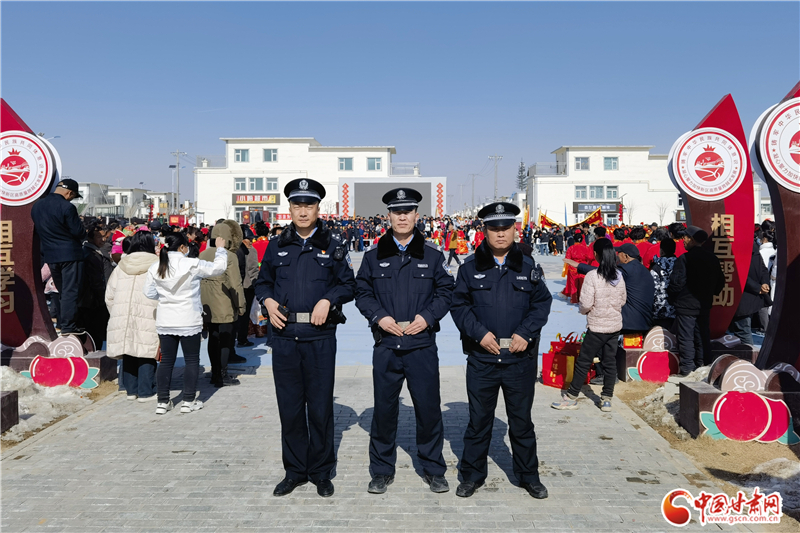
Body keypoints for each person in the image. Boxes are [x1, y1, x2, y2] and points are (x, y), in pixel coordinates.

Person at [254, 178, 356, 498]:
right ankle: (295, 471)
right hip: (285, 337)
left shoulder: (333, 244)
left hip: (319, 338)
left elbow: (348, 284)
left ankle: (321, 472)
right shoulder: (277, 245)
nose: (302, 211)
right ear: (289, 208)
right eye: (297, 205)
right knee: (290, 408)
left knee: (321, 408)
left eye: (308, 205)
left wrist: (328, 299)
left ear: (317, 208)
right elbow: (262, 282)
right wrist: (268, 302)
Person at [355, 188, 454, 495]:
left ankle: (433, 469)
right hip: (386, 344)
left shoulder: (433, 256)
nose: (402, 217)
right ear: (389, 216)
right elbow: (362, 292)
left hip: (421, 345)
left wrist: (428, 316)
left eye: (407, 212)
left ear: (416, 216)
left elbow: (446, 292)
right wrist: (379, 317)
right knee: (384, 412)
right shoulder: (373, 257)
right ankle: (381, 470)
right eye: (396, 212)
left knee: (428, 410)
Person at [450, 202, 552, 500]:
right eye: (494, 228)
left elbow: (541, 304)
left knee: (521, 422)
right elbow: (459, 306)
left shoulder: (529, 267)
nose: (500, 234)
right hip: (482, 359)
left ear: (514, 230)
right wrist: (479, 334)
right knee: (478, 422)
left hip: (519, 360)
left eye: (506, 228)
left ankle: (528, 476)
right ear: (484, 231)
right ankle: (472, 475)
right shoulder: (469, 268)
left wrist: (526, 333)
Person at [144, 233, 228, 414]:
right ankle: (188, 401)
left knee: (166, 361)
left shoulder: (156, 266)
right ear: (182, 247)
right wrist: (220, 249)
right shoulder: (192, 264)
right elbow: (218, 268)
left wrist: (166, 298)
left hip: (166, 319)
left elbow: (149, 293)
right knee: (191, 360)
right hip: (188, 318)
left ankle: (162, 402)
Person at [552, 238, 626, 412]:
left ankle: (571, 397)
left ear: (596, 255)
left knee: (584, 361)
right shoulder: (618, 275)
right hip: (614, 326)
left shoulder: (593, 276)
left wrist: (585, 311)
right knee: (609, 362)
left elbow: (585, 303)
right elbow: (623, 299)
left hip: (597, 326)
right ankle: (606, 399)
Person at [105, 231, 160, 401]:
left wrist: (117, 312)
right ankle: (146, 391)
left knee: (128, 349)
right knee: (146, 350)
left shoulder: (121, 267)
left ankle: (131, 390)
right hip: (150, 314)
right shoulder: (157, 265)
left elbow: (109, 295)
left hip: (121, 314)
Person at [30, 179, 87, 335]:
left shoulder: (37, 206)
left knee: (61, 291)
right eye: (72, 196)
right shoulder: (67, 207)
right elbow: (78, 232)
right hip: (70, 254)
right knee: (70, 291)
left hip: (50, 255)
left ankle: (63, 323)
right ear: (69, 193)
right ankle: (69, 325)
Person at [667, 226, 725, 375]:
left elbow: (676, 283)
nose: (683, 240)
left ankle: (687, 369)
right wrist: (710, 294)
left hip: (685, 305)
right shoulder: (712, 258)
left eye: (685, 238)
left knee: (686, 338)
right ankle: (703, 366)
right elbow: (720, 282)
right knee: (702, 336)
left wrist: (673, 297)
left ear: (692, 239)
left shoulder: (684, 259)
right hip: (704, 305)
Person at [199, 221, 246, 387]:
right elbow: (235, 283)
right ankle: (223, 374)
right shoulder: (230, 256)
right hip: (224, 302)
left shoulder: (203, 254)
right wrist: (241, 305)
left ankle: (214, 372)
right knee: (226, 339)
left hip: (207, 303)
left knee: (213, 338)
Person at [79, 219, 114, 348]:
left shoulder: (92, 252)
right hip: (93, 301)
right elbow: (96, 281)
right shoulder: (91, 255)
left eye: (103, 236)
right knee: (94, 334)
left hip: (90, 300)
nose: (103, 240)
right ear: (90, 238)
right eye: (99, 237)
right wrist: (102, 298)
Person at [728, 242, 770, 346]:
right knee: (744, 330)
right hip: (753, 296)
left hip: (744, 298)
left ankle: (749, 354)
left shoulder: (740, 251)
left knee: (743, 331)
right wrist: (764, 284)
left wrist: (761, 286)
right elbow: (763, 269)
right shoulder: (754, 249)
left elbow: (740, 275)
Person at [236, 225, 260, 348]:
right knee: (244, 315)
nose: (251, 241)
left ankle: (238, 336)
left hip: (237, 286)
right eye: (249, 239)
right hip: (248, 286)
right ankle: (242, 339)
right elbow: (253, 270)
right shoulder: (251, 251)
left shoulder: (232, 250)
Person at [649, 238, 677, 330]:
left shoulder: (656, 267)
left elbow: (652, 288)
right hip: (676, 308)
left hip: (659, 309)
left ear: (662, 251)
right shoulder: (680, 265)